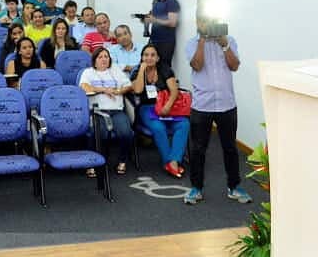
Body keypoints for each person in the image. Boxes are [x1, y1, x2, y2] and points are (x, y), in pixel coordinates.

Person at [183, 11, 250, 205]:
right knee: (198, 148)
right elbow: (196, 65)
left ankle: (234, 186)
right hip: (202, 105)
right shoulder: (191, 43)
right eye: (205, 21)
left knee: (230, 147)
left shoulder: (229, 40)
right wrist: (203, 40)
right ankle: (196, 188)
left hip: (227, 104)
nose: (209, 24)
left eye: (212, 20)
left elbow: (235, 65)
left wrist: (225, 44)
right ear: (197, 22)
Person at [131, 44, 189, 179]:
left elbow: (174, 91)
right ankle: (170, 162)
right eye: (146, 55)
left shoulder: (165, 69)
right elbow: (138, 90)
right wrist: (141, 70)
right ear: (141, 57)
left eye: (152, 55)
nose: (149, 58)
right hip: (147, 107)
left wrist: (167, 106)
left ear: (157, 58)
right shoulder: (136, 71)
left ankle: (173, 160)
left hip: (168, 105)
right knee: (158, 127)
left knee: (184, 124)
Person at [80, 47, 134, 176]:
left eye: (106, 56)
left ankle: (122, 160)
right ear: (94, 60)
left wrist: (118, 91)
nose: (104, 59)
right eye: (100, 57)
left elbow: (128, 85)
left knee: (126, 133)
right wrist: (104, 90)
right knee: (99, 133)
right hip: (97, 111)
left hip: (116, 110)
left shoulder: (115, 70)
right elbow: (85, 88)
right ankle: (92, 163)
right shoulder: (88, 72)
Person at [146, 0, 180, 66]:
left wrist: (155, 20)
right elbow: (153, 17)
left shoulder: (172, 2)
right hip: (153, 40)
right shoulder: (157, 1)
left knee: (164, 68)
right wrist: (147, 19)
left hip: (165, 43)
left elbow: (173, 23)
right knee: (150, 66)